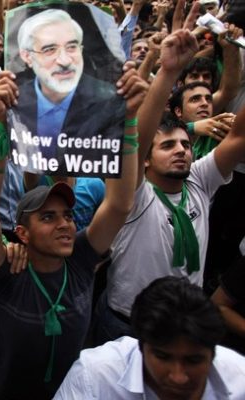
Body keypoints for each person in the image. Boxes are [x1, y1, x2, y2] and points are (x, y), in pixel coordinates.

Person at [0, 60, 146, 398]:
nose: (65, 223)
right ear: (22, 233)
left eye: (66, 215)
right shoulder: (6, 274)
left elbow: (120, 204)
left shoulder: (80, 261)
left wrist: (127, 121)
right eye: (48, 217)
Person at [95, 17, 245, 343]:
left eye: (185, 145)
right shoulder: (134, 194)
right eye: (167, 145)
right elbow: (140, 136)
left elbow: (238, 138)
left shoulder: (199, 184)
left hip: (183, 326)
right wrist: (167, 71)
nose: (180, 151)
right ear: (146, 158)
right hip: (126, 326)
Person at [55, 277, 245, 399]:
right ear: (141, 347)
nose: (178, 377)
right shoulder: (95, 377)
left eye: (193, 360)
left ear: (213, 353)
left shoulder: (240, 380)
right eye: (163, 357)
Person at [11, 7, 124, 167]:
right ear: (27, 57)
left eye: (72, 47)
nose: (64, 61)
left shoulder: (111, 101)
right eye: (49, 50)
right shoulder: (13, 102)